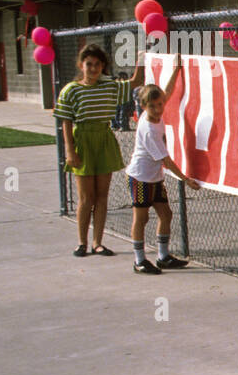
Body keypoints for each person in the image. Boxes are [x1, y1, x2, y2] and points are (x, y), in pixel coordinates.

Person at [55, 45, 144, 256]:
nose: (93, 68)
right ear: (81, 65)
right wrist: (70, 150)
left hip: (104, 139)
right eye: (89, 64)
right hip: (82, 141)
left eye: (97, 64)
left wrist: (142, 58)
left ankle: (98, 242)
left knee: (102, 196)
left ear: (102, 66)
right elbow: (66, 122)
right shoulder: (70, 90)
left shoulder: (109, 87)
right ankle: (82, 242)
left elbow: (135, 82)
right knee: (86, 197)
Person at [124, 59, 202, 275]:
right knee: (141, 218)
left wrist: (176, 69)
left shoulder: (156, 112)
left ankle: (162, 256)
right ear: (143, 106)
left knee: (165, 214)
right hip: (141, 178)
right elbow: (166, 160)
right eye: (153, 106)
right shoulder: (148, 128)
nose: (159, 109)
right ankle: (139, 260)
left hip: (155, 178)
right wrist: (186, 179)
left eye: (160, 105)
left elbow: (165, 93)